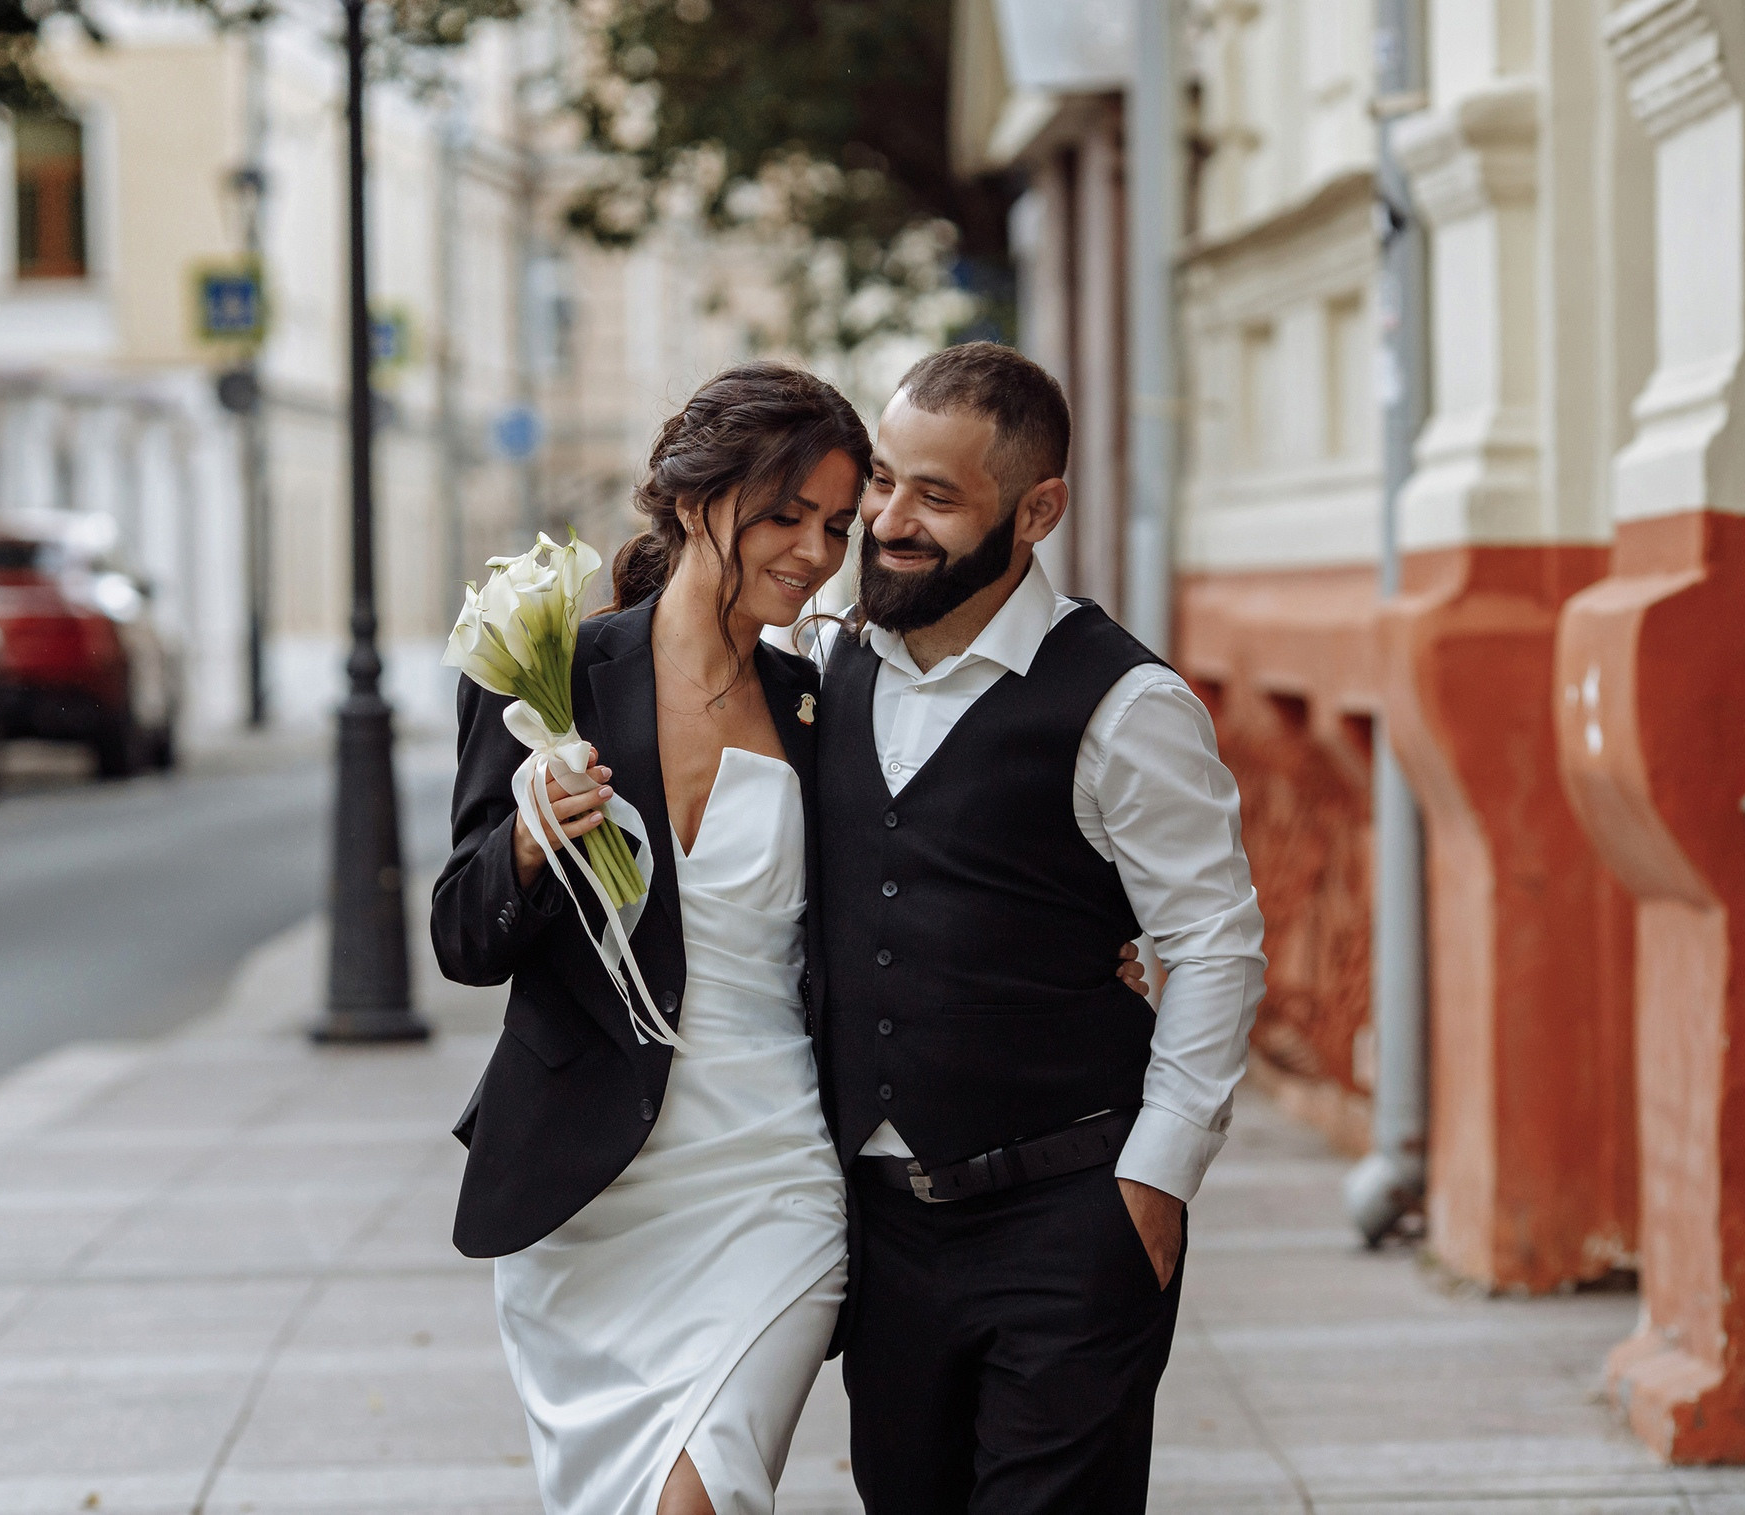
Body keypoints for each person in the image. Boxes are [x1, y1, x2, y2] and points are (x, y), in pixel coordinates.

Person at [432, 361, 1148, 1515]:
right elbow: (462, 937)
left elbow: (936, 857)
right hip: (590, 1198)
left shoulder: (825, 694)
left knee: (697, 1498)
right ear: (686, 498)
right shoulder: (550, 678)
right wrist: (522, 843)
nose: (818, 553)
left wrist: (1111, 943)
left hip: (772, 1175)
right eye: (782, 517)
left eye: (834, 520)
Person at [813, 341, 1267, 1515]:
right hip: (884, 1235)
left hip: (1069, 1216)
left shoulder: (1126, 704)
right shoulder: (828, 666)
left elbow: (1214, 944)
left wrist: (1156, 1184)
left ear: (1038, 510)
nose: (890, 521)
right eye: (882, 482)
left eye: (936, 496)